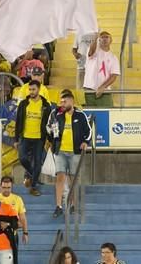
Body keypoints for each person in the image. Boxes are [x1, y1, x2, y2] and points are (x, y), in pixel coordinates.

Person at [47, 89, 91, 218]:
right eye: (61, 102)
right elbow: (49, 129)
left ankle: (72, 204)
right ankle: (59, 205)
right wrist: (52, 139)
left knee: (73, 178)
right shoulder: (57, 115)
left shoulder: (80, 115)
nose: (62, 104)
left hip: (75, 152)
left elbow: (88, 131)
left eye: (64, 102)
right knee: (60, 176)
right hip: (60, 151)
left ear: (71, 101)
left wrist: (85, 142)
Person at [15, 80, 50, 196]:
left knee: (38, 163)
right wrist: (16, 139)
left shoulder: (45, 106)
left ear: (39, 90)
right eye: (30, 89)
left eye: (33, 89)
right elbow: (18, 121)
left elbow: (49, 123)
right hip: (25, 137)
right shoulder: (23, 104)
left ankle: (34, 186)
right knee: (23, 158)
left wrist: (49, 139)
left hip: (39, 138)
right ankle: (32, 174)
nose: (31, 92)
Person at [82, 31, 120, 107]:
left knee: (106, 115)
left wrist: (103, 86)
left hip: (105, 92)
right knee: (89, 116)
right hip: (89, 90)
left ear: (111, 40)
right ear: (99, 40)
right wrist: (96, 36)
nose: (104, 39)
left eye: (107, 37)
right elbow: (91, 52)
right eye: (102, 37)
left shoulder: (113, 57)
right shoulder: (93, 51)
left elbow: (114, 76)